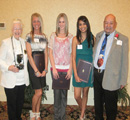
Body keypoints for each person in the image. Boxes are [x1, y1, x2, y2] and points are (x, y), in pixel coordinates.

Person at [93, 14, 129, 120]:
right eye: (106, 22)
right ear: (103, 23)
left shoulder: (123, 39)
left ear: (115, 24)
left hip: (111, 77)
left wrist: (123, 79)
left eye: (111, 23)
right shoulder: (99, 35)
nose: (108, 25)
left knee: (111, 106)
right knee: (97, 103)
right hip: (97, 73)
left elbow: (125, 61)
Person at [0, 19, 29, 120]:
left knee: (20, 104)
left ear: (22, 30)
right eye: (15, 29)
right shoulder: (6, 42)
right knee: (12, 105)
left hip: (21, 80)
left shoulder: (24, 43)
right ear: (12, 30)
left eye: (19, 29)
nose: (17, 31)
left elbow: (28, 58)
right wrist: (9, 67)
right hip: (10, 80)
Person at [49, 13, 73, 120]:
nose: (61, 24)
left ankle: (62, 117)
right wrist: (54, 68)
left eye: (63, 21)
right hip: (56, 70)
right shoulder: (53, 36)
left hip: (66, 70)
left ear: (66, 23)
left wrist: (70, 70)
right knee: (56, 95)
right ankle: (56, 117)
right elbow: (50, 53)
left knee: (64, 96)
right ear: (57, 23)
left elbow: (72, 54)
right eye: (60, 21)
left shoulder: (71, 37)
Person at [26, 13, 48, 120]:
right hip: (33, 65)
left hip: (42, 65)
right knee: (38, 92)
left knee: (40, 91)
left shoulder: (44, 36)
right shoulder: (29, 36)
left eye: (38, 21)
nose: (36, 23)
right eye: (34, 21)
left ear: (40, 22)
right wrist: (35, 70)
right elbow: (29, 55)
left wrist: (45, 69)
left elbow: (46, 53)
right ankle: (33, 112)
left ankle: (37, 113)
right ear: (32, 23)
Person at [72, 16, 94, 120]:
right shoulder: (75, 39)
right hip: (77, 71)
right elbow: (73, 58)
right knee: (77, 95)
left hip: (88, 71)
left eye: (84, 24)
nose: (82, 26)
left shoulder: (93, 38)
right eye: (80, 24)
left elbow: (95, 55)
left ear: (87, 25)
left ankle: (82, 116)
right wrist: (75, 74)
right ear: (78, 26)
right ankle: (83, 109)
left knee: (85, 93)